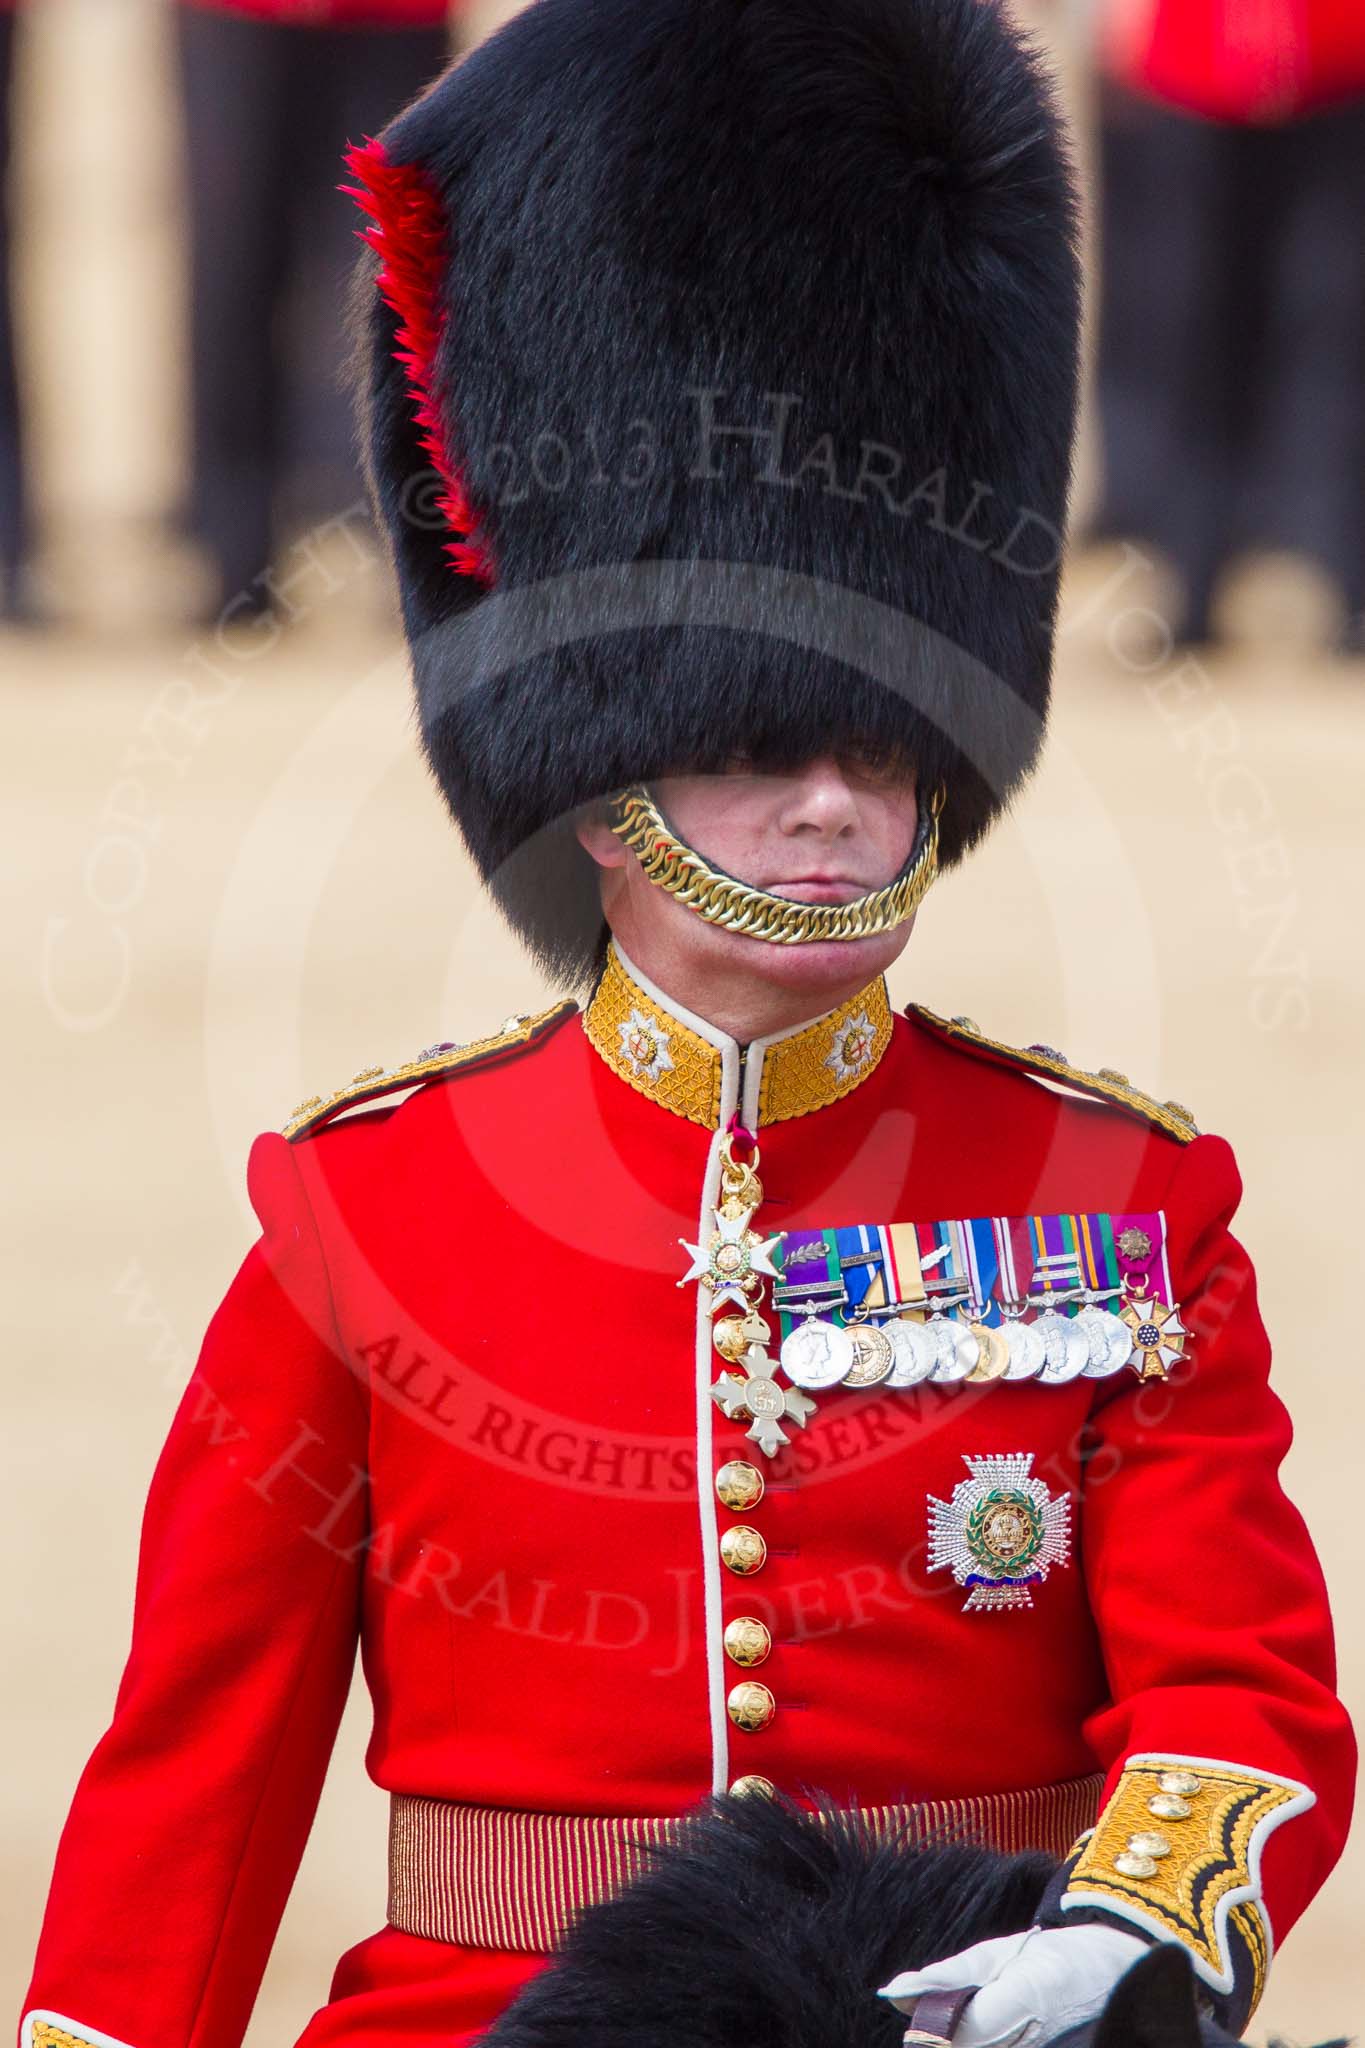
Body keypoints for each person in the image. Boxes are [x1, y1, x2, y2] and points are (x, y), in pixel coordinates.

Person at [20, 3, 1354, 2047]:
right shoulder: (360, 1208)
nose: (834, 807)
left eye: (879, 753)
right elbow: (198, 1778)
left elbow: (1239, 1686)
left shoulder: (1121, 1198)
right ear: (604, 787)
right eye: (751, 753)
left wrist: (1134, 1933)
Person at [173, 0, 455, 618]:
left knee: (398, 267)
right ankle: (231, 551)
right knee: (233, 260)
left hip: (394, 16)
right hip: (242, 16)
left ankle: (408, 543)